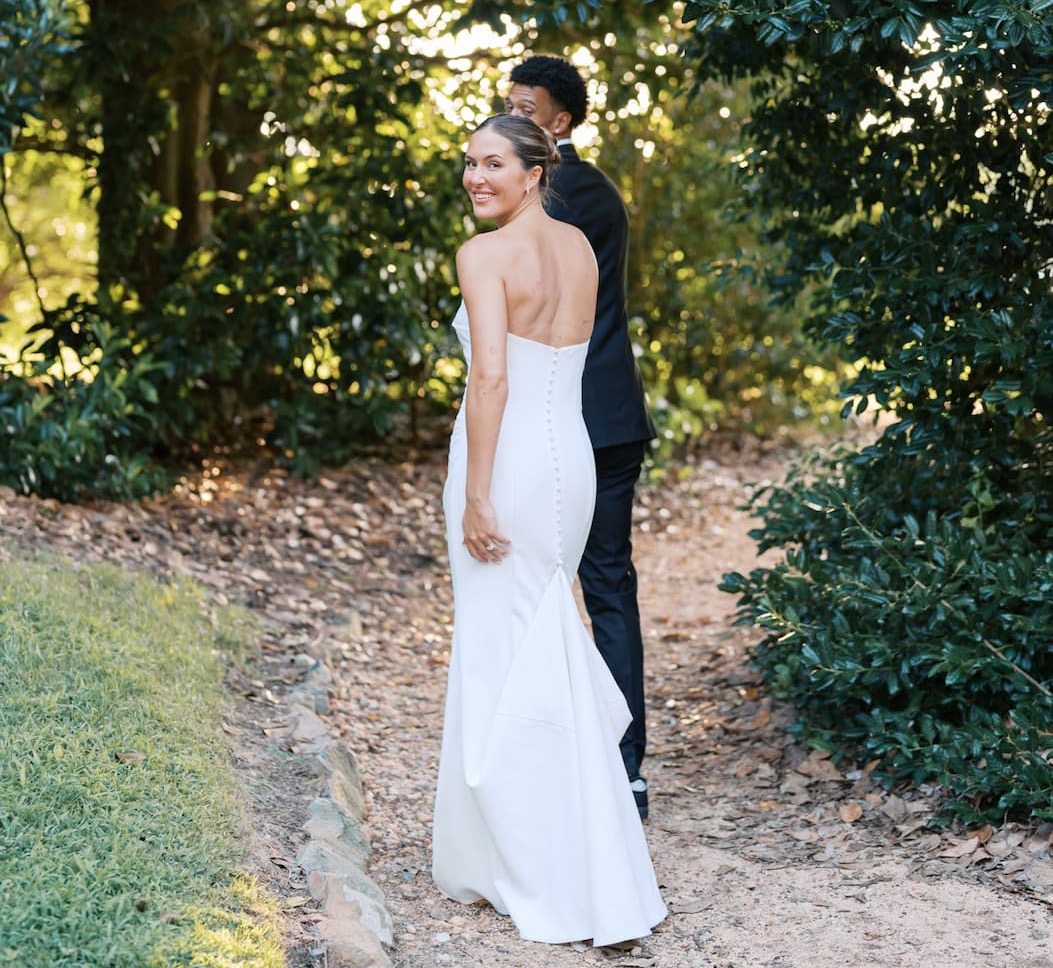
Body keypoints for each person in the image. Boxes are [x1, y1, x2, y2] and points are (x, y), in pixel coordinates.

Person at [431, 114, 666, 948]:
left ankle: (536, 861)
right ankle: (572, 846)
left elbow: (491, 379)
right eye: (467, 164)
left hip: (512, 465)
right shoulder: (578, 248)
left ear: (536, 169)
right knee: (548, 638)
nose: (475, 178)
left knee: (504, 648)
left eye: (493, 163)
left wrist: (478, 496)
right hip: (569, 461)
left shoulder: (482, 255)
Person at [506, 55, 656, 819]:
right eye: (506, 103)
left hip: (593, 423)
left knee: (603, 585)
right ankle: (546, 756)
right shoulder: (528, 192)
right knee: (532, 583)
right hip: (543, 417)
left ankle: (623, 765)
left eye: (525, 106)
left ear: (559, 121)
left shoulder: (577, 189)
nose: (512, 114)